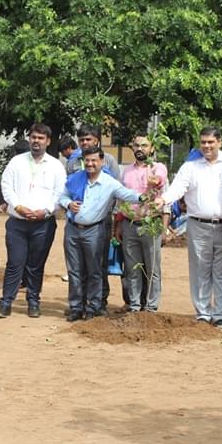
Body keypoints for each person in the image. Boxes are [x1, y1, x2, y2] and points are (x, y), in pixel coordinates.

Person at [161, 126, 222, 325]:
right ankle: (203, 313)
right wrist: (162, 200)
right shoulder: (191, 166)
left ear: (219, 142)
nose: (207, 146)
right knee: (200, 271)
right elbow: (177, 188)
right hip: (197, 225)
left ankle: (221, 315)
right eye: (203, 142)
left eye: (211, 142)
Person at [61, 147, 148, 320]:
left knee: (94, 270)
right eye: (87, 160)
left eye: (94, 160)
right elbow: (62, 196)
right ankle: (76, 307)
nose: (90, 164)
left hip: (94, 230)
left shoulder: (109, 182)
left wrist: (145, 197)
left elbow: (127, 194)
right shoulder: (75, 179)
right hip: (72, 229)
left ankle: (93, 307)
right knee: (74, 271)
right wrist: (69, 204)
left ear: (102, 162)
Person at [0, 123, 66, 318]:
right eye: (34, 137)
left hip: (43, 223)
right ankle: (6, 302)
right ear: (29, 139)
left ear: (48, 141)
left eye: (41, 138)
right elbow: (6, 186)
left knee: (36, 265)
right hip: (18, 222)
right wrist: (18, 206)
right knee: (14, 263)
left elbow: (60, 192)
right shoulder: (17, 162)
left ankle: (33, 301)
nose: (36, 141)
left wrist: (45, 211)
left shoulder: (55, 165)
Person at [67, 124, 120, 310]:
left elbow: (116, 191)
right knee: (76, 267)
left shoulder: (109, 160)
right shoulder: (73, 162)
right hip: (76, 221)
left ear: (97, 140)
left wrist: (110, 217)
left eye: (88, 139)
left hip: (101, 222)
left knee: (98, 264)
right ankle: (78, 304)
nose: (85, 143)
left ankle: (99, 303)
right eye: (81, 140)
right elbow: (69, 189)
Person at [116, 133, 169, 313]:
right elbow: (121, 200)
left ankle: (151, 307)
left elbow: (162, 187)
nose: (140, 149)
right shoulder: (126, 171)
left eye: (144, 145)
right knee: (132, 269)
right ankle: (135, 306)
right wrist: (118, 225)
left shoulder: (157, 167)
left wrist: (164, 228)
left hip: (151, 225)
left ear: (152, 148)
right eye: (137, 145)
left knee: (153, 269)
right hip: (129, 225)